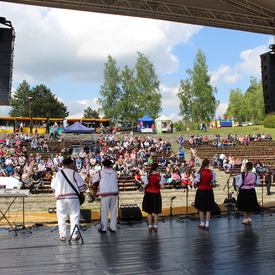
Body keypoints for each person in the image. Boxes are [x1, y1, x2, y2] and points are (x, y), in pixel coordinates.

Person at [51, 157, 86, 241]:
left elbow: (53, 187)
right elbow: (82, 188)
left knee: (61, 216)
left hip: (60, 198)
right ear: (70, 164)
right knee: (74, 215)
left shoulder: (57, 174)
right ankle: (74, 234)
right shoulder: (74, 173)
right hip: (73, 197)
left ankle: (62, 235)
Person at [92, 159, 118, 233]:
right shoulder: (114, 172)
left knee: (104, 211)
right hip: (113, 192)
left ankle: (104, 227)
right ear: (110, 165)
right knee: (113, 211)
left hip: (105, 193)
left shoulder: (100, 172)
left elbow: (94, 181)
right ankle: (113, 227)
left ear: (103, 165)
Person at [141, 163, 165, 232]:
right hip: (156, 193)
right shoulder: (160, 177)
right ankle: (156, 226)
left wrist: (141, 184)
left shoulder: (147, 177)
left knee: (149, 211)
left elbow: (144, 186)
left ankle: (150, 226)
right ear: (157, 168)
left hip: (149, 194)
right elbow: (162, 187)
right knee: (156, 211)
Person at [194, 158, 216, 230]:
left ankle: (202, 223)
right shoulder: (212, 172)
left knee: (201, 208)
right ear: (208, 164)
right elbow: (213, 183)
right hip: (209, 190)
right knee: (208, 208)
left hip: (201, 190)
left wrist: (196, 185)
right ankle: (207, 224)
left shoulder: (199, 172)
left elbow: (196, 183)